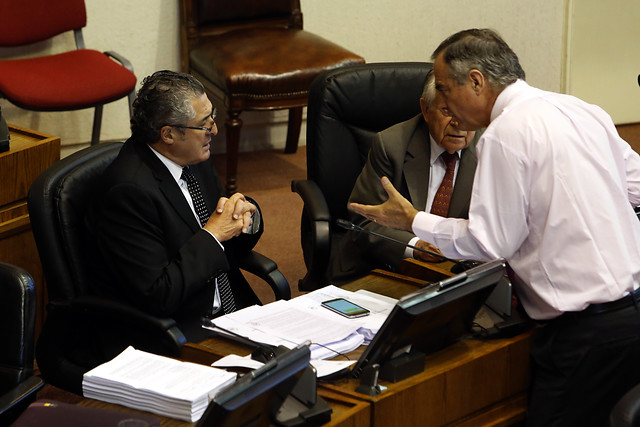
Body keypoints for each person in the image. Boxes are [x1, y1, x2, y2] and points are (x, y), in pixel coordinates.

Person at [350, 28, 640, 426]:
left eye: (445, 89)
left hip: (583, 333)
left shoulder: (504, 134)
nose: (446, 106)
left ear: (475, 81)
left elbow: (490, 241)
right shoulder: (579, 108)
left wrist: (414, 220)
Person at [89, 70, 264, 342]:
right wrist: (214, 234)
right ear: (168, 134)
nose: (214, 130)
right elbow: (157, 294)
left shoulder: (193, 155)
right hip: (185, 330)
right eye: (205, 124)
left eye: (213, 117)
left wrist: (244, 216)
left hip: (235, 309)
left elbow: (224, 240)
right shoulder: (129, 193)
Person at [330, 70, 479, 280]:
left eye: (468, 111)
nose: (460, 123)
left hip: (460, 272)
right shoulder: (390, 145)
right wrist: (416, 246)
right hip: (389, 266)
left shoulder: (491, 149)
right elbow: (364, 221)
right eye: (447, 111)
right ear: (426, 110)